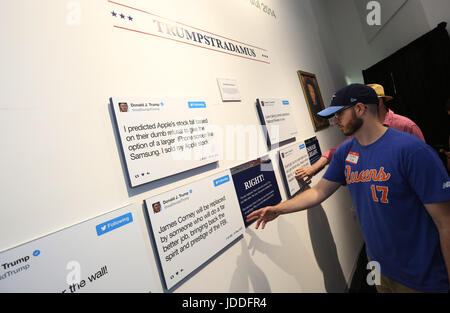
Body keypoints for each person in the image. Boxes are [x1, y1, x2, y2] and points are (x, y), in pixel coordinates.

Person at [247, 84, 450, 293]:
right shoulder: (346, 152)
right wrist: (278, 209)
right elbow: (318, 191)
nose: (335, 121)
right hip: (379, 267)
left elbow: (445, 222)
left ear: (360, 109)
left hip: (421, 275)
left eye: (339, 114)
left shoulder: (412, 151)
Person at [296, 84, 425, 183]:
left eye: (339, 114)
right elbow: (337, 151)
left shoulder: (406, 126)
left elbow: (423, 167)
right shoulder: (361, 131)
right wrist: (313, 168)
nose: (335, 121)